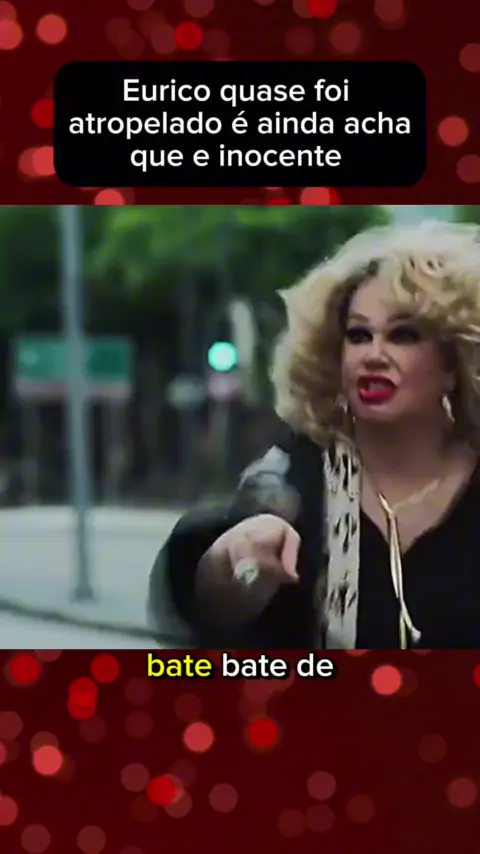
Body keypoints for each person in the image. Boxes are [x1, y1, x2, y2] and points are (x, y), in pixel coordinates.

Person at [148, 220, 480, 650]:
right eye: (358, 335)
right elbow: (215, 615)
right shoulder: (292, 476)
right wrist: (232, 567)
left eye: (403, 335)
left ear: (454, 361)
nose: (373, 355)